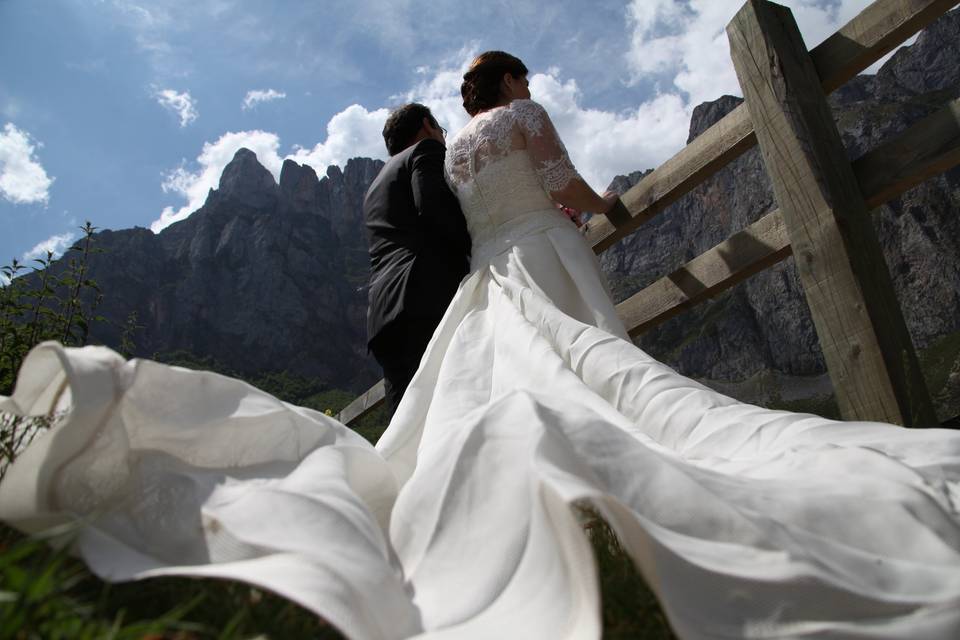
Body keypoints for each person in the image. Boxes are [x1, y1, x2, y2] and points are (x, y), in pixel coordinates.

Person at [1, 50, 960, 640]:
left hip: (465, 275)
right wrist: (604, 209)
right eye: (525, 77)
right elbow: (564, 183)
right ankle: (604, 473)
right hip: (534, 247)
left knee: (509, 377)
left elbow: (468, 218)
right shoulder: (501, 125)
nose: (531, 86)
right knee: (586, 354)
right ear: (506, 82)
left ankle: (536, 489)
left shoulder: (443, 154)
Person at [364, 103, 471, 417]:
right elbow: (435, 208)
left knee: (407, 421)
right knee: (453, 408)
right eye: (441, 130)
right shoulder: (425, 151)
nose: (443, 138)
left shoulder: (373, 188)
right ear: (427, 125)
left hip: (384, 316)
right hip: (427, 297)